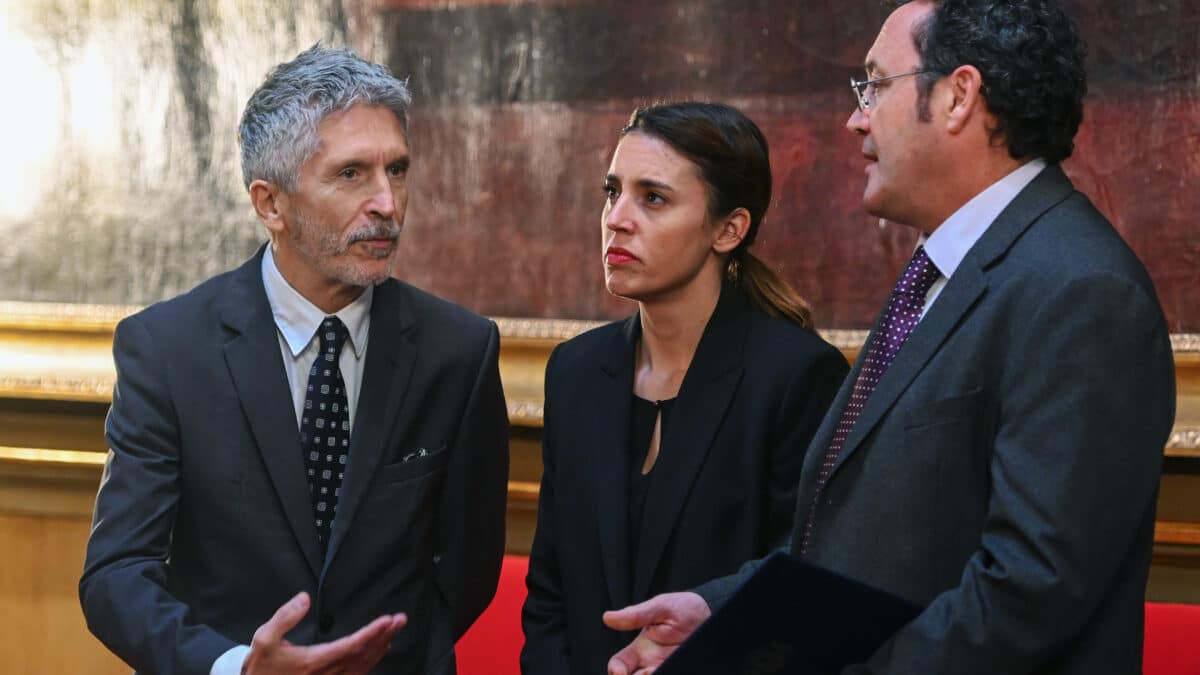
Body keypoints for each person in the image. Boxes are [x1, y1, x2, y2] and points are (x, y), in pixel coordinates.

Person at [604, 2, 1176, 673]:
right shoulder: (944, 269)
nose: (855, 118)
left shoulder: (1080, 291)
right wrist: (722, 614)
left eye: (875, 85)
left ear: (959, 96)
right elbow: (863, 543)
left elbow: (1027, 595)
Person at [79, 45, 509, 675]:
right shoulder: (168, 350)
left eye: (398, 170)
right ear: (270, 203)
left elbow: (467, 570)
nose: (388, 204)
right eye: (351, 175)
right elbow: (116, 576)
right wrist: (235, 667)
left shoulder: (459, 350)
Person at [520, 102, 849, 674]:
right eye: (611, 191)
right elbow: (551, 594)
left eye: (653, 198)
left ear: (729, 229)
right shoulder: (577, 371)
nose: (617, 217)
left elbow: (803, 581)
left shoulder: (796, 376)